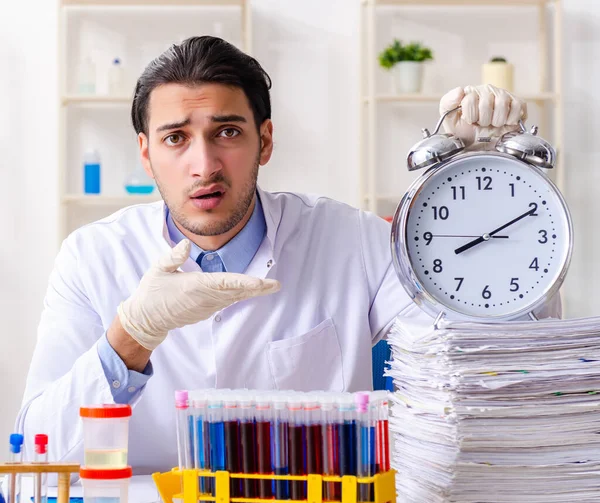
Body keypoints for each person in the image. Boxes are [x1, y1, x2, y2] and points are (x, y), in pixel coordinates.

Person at [16, 37, 558, 473]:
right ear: (146, 152)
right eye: (176, 138)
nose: (204, 165)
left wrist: (486, 177)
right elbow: (40, 450)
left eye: (227, 131)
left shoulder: (352, 239)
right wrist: (130, 335)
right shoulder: (91, 256)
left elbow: (486, 358)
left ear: (265, 140)